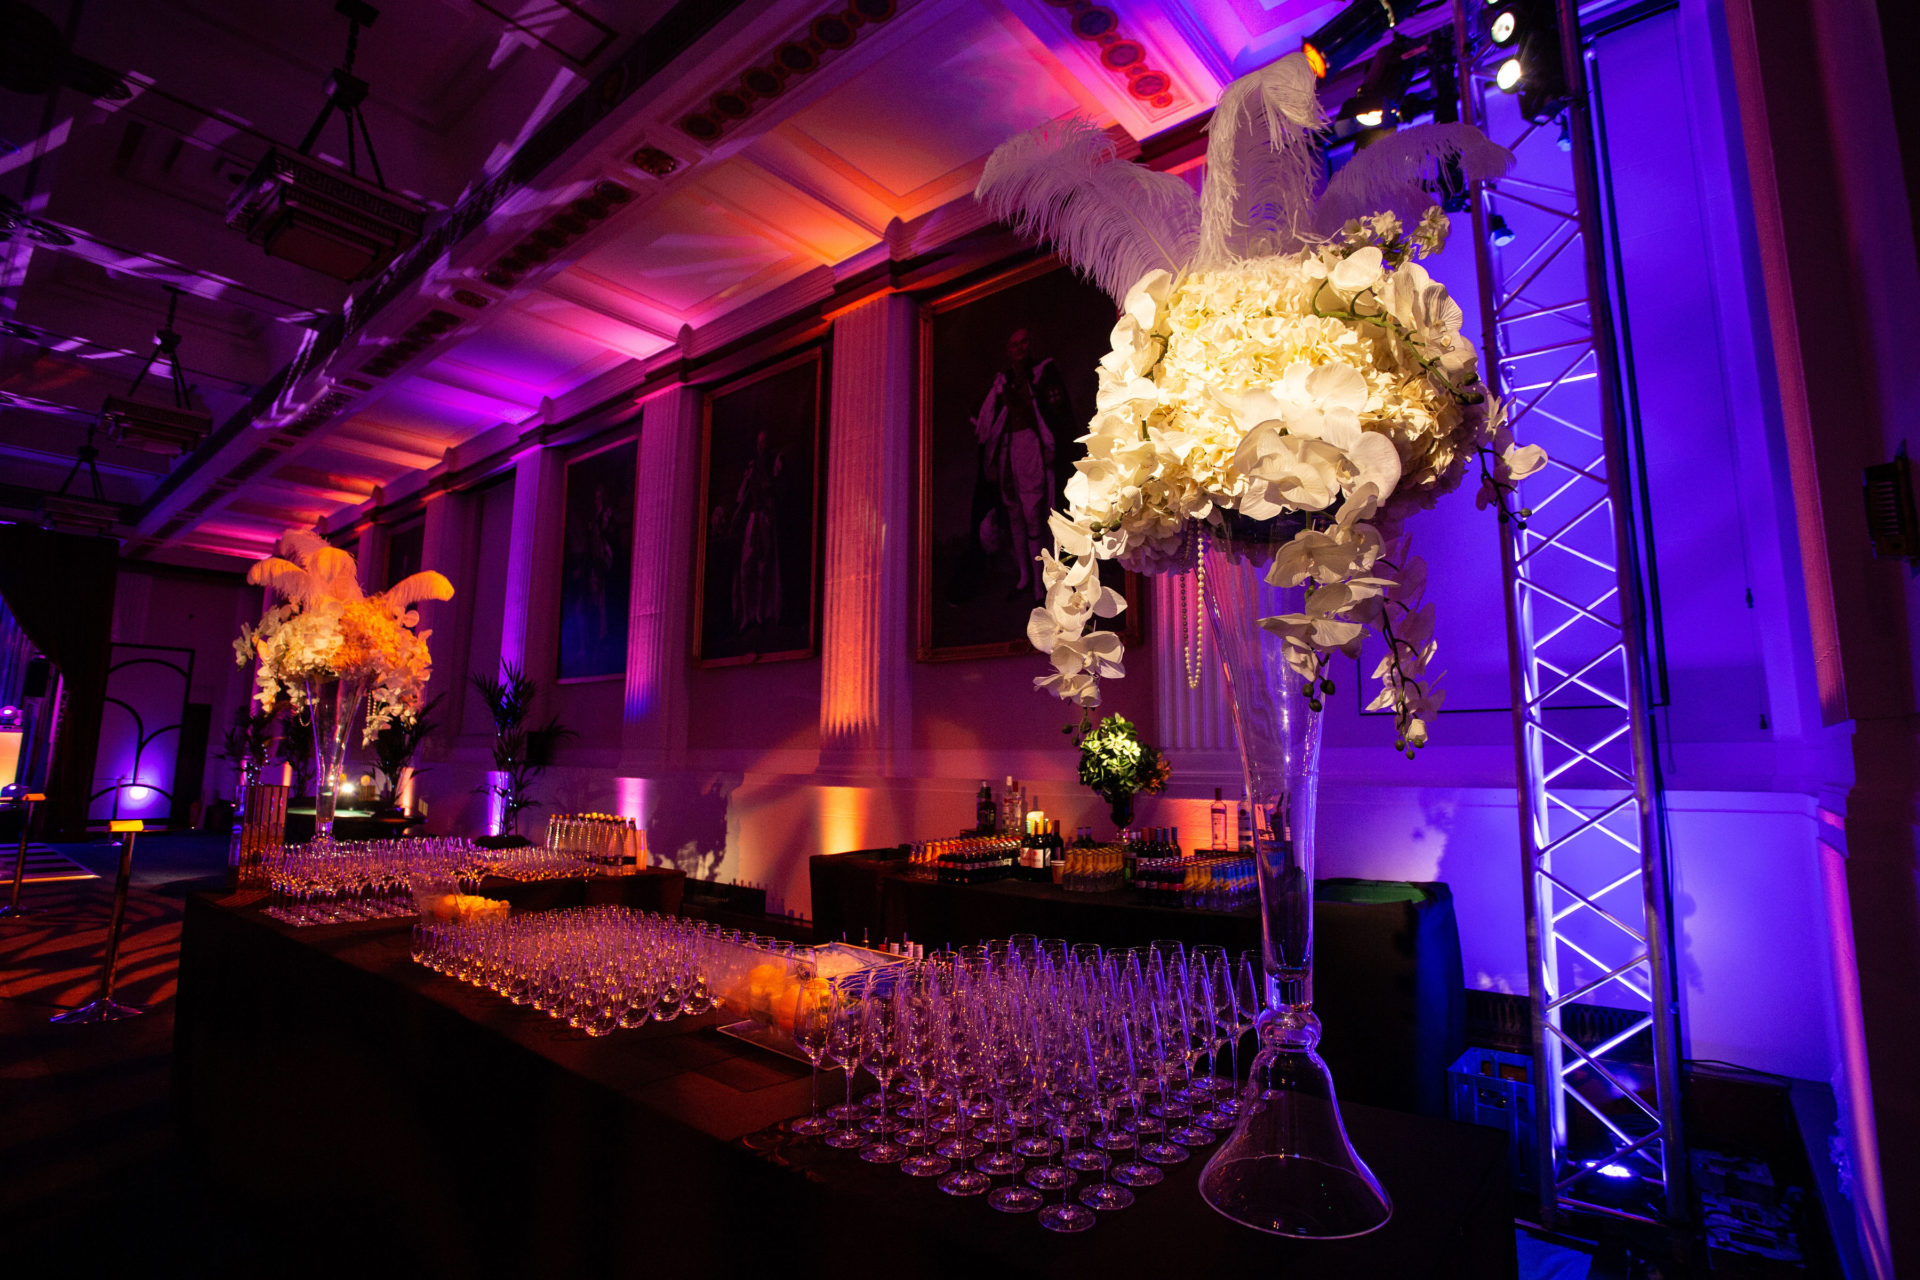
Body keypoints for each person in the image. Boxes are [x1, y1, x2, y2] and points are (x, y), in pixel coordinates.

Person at [971, 328, 1075, 598]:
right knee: (1015, 514)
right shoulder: (1002, 382)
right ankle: (1024, 577)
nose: (1019, 348)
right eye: (1014, 344)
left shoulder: (1042, 373)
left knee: (1033, 516)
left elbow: (1052, 413)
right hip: (1009, 452)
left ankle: (1041, 585)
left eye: (1024, 342)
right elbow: (986, 421)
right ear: (1008, 350)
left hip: (1031, 450)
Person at [730, 430, 783, 631]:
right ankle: (747, 613)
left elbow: (775, 489)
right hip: (753, 517)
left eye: (765, 442)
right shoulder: (752, 467)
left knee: (763, 567)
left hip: (766, 517)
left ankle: (760, 613)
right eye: (759, 442)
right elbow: (743, 495)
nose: (762, 446)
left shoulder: (774, 462)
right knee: (746, 567)